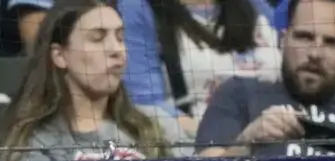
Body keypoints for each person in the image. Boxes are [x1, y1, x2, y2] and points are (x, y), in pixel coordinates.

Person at [0, 0, 193, 161]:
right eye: (98, 39)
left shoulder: (158, 125)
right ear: (60, 55)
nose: (117, 50)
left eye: (121, 38)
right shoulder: (31, 141)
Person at [196, 0, 335, 158]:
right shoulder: (239, 93)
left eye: (332, 43)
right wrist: (247, 142)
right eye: (304, 37)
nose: (315, 53)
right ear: (282, 40)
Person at [120, 0, 280, 135]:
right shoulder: (137, 9)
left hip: (278, 134)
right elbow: (145, 104)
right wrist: (228, 139)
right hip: (193, 145)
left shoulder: (256, 5)